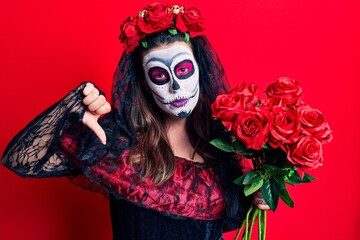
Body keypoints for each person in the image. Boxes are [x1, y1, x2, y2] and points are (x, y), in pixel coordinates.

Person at [1, 3, 267, 239]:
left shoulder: (223, 144)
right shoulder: (117, 140)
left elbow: (227, 221)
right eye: (160, 76)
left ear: (200, 69)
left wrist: (257, 195)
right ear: (144, 83)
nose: (176, 86)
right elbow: (20, 160)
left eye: (183, 70)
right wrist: (75, 110)